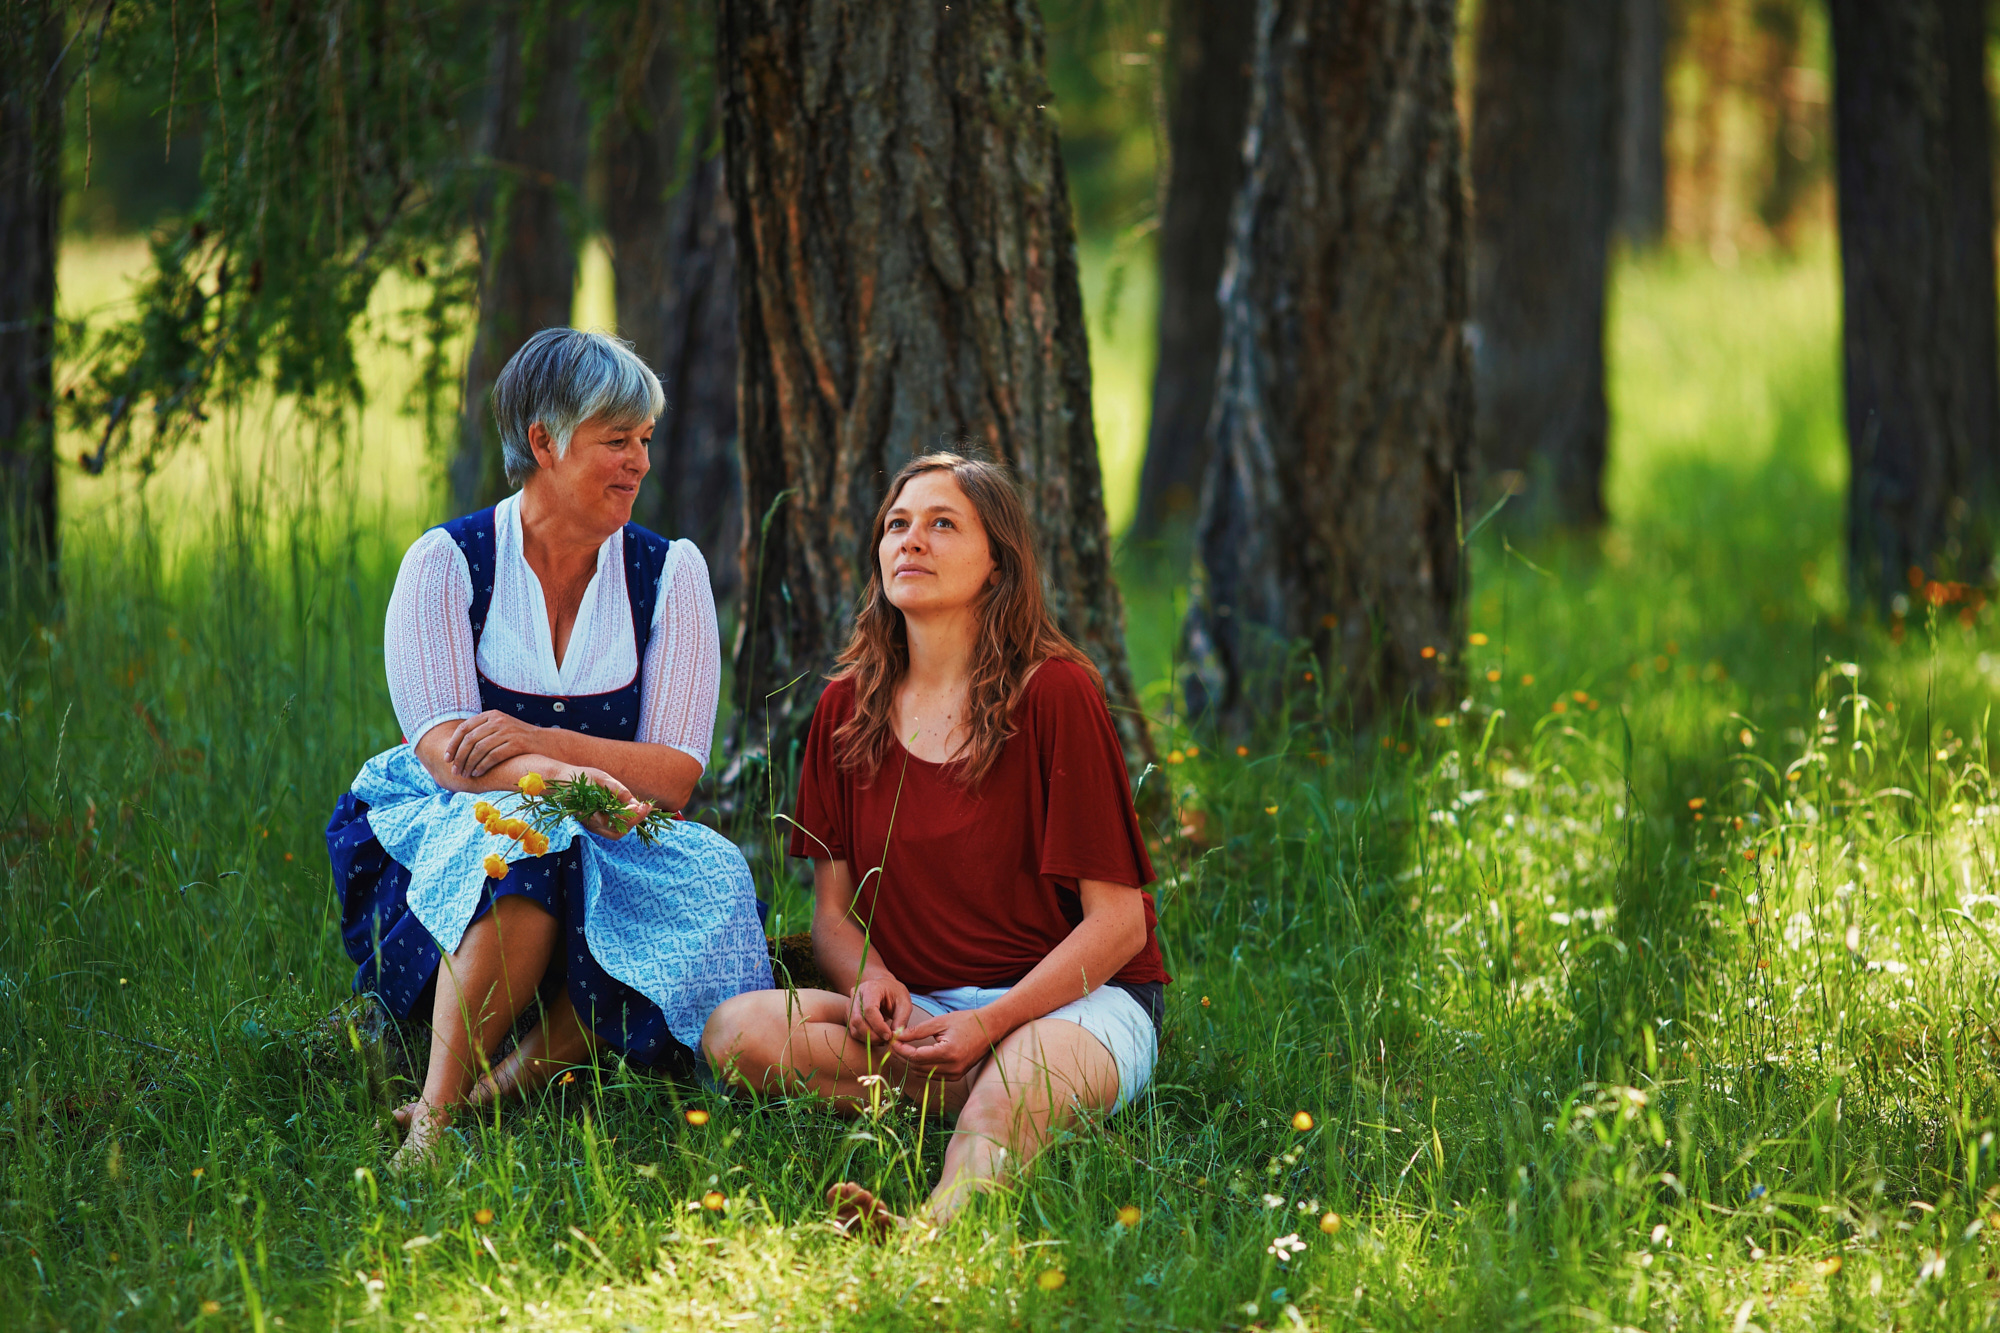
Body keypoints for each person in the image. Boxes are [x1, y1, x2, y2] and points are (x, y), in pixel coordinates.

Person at [326, 328, 771, 1167]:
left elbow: (674, 775)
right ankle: (436, 1112)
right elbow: (452, 759)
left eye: (644, 440)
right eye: (616, 440)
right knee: (526, 840)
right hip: (456, 820)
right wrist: (573, 781)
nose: (639, 461)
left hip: (614, 826)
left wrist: (542, 742)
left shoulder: (668, 574)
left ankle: (512, 1085)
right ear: (542, 441)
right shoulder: (448, 564)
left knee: (711, 869)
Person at [702, 453, 1169, 1233]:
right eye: (897, 524)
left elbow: (1118, 926)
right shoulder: (844, 708)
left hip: (1075, 1001)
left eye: (942, 524)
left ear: (998, 565)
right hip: (926, 1012)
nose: (910, 540)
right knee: (734, 1033)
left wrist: (993, 1023)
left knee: (1006, 1094)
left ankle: (926, 1233)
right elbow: (832, 918)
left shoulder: (1056, 693)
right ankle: (980, 1079)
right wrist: (873, 980)